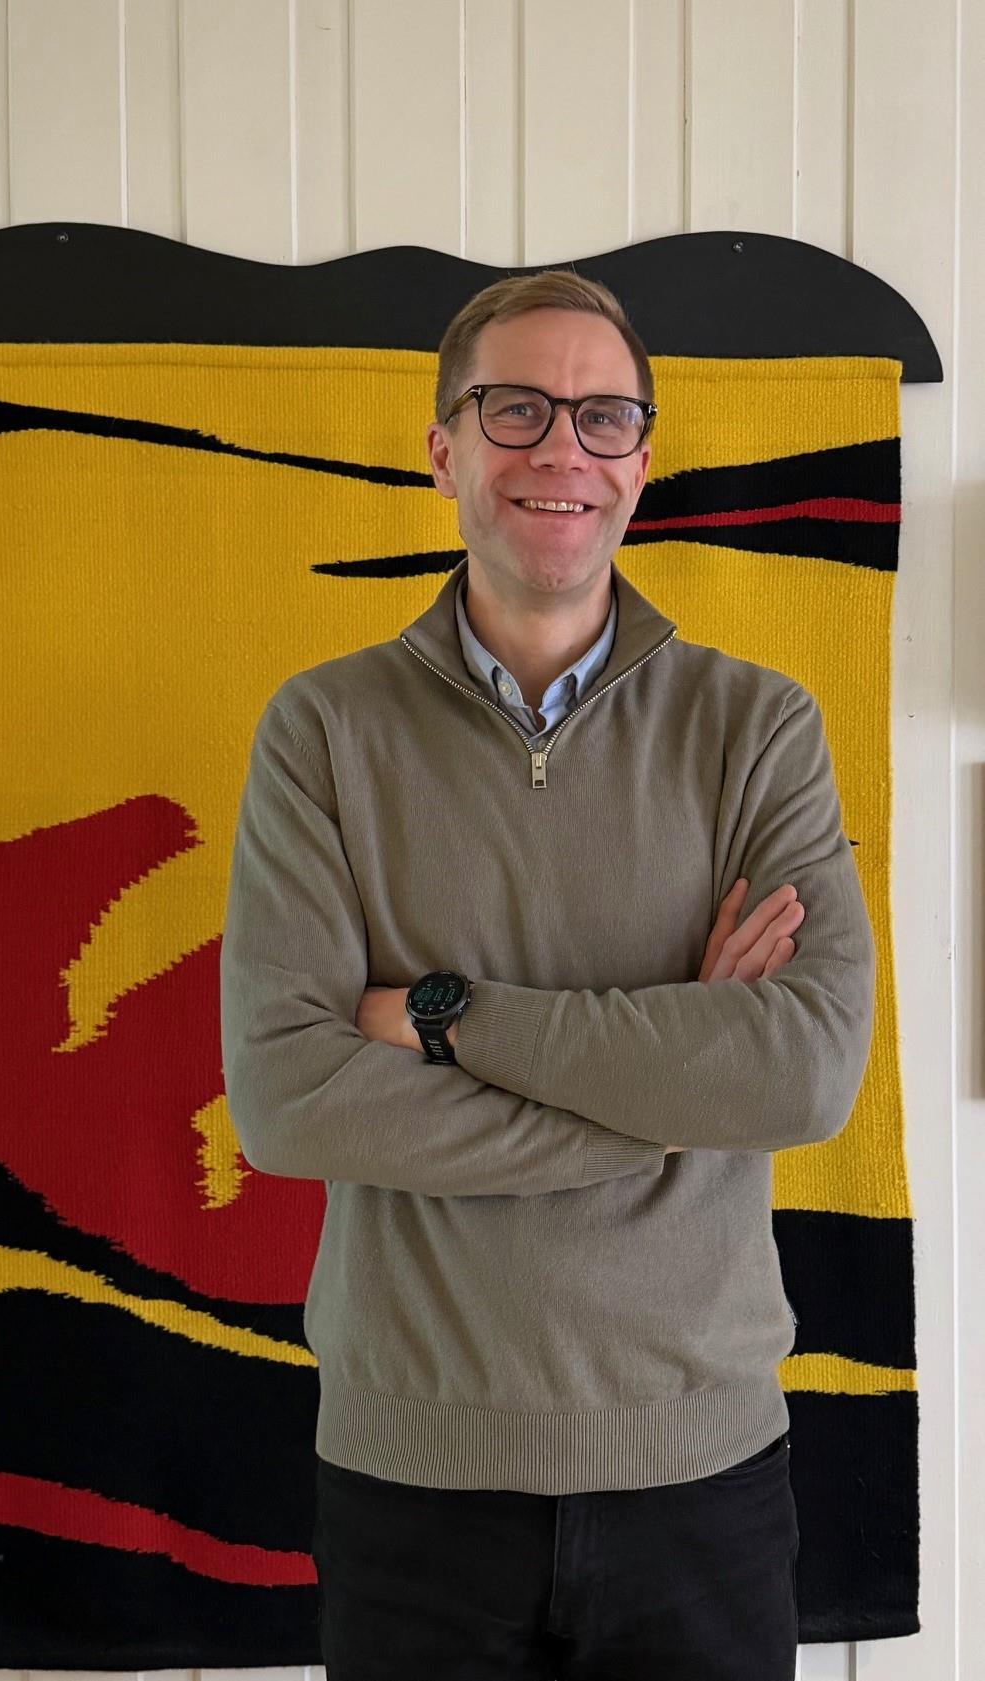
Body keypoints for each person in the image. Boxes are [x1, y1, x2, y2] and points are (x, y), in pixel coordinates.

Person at [219, 269, 876, 1678]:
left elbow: (802, 1072)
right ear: (442, 449)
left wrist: (447, 1017)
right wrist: (673, 1089)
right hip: (414, 1478)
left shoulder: (756, 726)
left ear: (640, 460)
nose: (561, 448)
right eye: (513, 408)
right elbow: (288, 1099)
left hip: (701, 1473)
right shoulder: (322, 731)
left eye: (601, 416)